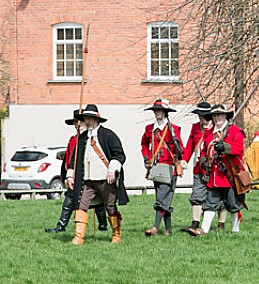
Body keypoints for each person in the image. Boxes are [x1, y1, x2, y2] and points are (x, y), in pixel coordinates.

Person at [66, 104, 128, 245]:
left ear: (96, 120)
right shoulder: (82, 138)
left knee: (110, 206)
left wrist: (112, 169)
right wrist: (70, 175)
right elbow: (74, 159)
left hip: (105, 179)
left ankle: (116, 234)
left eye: (89, 118)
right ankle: (79, 237)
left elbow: (119, 155)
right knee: (81, 205)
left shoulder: (109, 135)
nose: (86, 121)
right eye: (85, 118)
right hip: (87, 180)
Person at [45, 109, 109, 233]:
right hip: (74, 176)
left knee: (98, 202)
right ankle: (61, 225)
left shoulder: (89, 139)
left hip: (89, 175)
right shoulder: (74, 139)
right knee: (68, 201)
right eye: (75, 122)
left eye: (80, 122)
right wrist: (68, 174)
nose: (77, 125)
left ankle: (103, 226)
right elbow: (69, 158)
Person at [188, 105, 247, 235]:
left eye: (220, 115)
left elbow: (238, 149)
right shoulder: (209, 133)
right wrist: (203, 162)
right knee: (210, 203)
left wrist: (224, 147)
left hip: (230, 174)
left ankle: (235, 230)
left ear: (225, 116)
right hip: (214, 176)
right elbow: (203, 150)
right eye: (214, 115)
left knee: (233, 204)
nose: (217, 118)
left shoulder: (235, 131)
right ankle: (204, 230)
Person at [141, 98, 183, 236]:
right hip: (155, 166)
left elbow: (180, 149)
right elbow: (144, 145)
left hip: (170, 167)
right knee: (163, 197)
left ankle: (155, 227)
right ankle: (168, 230)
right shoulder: (149, 129)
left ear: (165, 112)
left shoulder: (174, 129)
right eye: (156, 110)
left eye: (160, 110)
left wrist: (177, 144)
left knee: (162, 198)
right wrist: (147, 158)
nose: (158, 113)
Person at [180, 101, 213, 232]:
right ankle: (195, 222)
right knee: (197, 195)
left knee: (214, 196)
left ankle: (219, 223)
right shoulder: (195, 127)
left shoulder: (215, 128)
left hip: (212, 168)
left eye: (202, 115)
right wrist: (185, 160)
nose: (200, 118)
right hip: (198, 167)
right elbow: (190, 145)